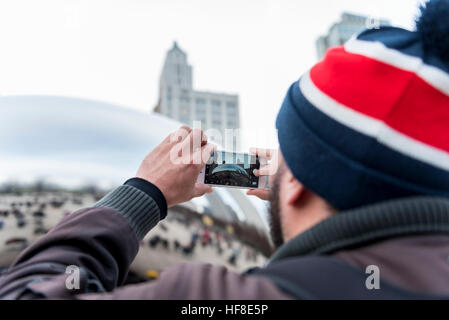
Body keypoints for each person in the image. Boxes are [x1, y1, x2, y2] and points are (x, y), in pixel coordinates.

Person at [1, 0, 449, 299]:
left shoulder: (228, 298)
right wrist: (308, 181)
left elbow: (28, 291)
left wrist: (143, 191)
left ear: (293, 188)